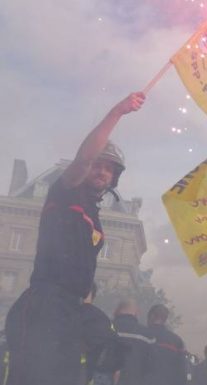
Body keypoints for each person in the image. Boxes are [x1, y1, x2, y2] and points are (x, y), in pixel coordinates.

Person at [4, 92, 145, 385]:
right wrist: (117, 112)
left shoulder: (94, 212)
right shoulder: (65, 192)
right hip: (46, 303)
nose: (102, 171)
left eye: (109, 168)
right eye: (99, 165)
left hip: (73, 307)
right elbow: (84, 159)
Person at [80, 283, 124, 385]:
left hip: (67, 372)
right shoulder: (104, 319)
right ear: (94, 296)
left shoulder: (67, 314)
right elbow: (116, 348)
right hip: (96, 375)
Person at [114, 299, 154, 385]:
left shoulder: (107, 327)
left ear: (119, 309)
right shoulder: (147, 335)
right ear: (135, 312)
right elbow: (151, 365)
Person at [147, 304, 187, 385]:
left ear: (151, 316)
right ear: (165, 319)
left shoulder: (143, 336)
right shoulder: (177, 340)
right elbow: (182, 369)